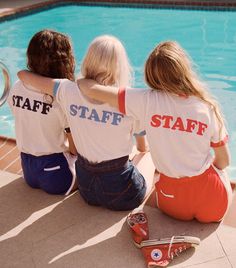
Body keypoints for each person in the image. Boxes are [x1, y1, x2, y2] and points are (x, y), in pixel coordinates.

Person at [74, 40, 232, 223]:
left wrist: (81, 81)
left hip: (171, 203)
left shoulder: (145, 100)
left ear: (151, 75)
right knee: (220, 171)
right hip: (212, 206)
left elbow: (92, 90)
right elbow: (224, 161)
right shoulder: (207, 107)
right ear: (183, 70)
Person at [17, 35, 156, 211]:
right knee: (147, 156)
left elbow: (24, 76)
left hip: (87, 188)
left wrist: (21, 72)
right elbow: (142, 145)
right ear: (119, 65)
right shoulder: (129, 99)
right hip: (121, 191)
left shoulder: (67, 90)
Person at [8, 29, 77, 195]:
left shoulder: (18, 86)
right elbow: (75, 149)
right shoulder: (62, 97)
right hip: (57, 174)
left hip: (28, 169)